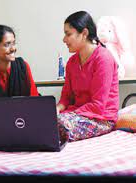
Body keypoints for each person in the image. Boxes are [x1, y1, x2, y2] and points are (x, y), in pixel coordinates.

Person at [56, 11, 119, 142]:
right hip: (77, 115)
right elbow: (66, 97)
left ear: (84, 33)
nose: (64, 39)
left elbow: (97, 105)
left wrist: (68, 114)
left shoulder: (103, 59)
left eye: (68, 34)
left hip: (101, 119)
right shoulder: (72, 63)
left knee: (59, 124)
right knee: (42, 120)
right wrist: (57, 109)